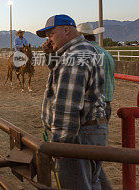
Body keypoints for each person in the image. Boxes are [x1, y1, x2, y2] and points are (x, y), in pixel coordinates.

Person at [36, 14, 108, 190]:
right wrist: (50, 53)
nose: (48, 39)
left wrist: (59, 145)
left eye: (51, 34)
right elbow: (57, 69)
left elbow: (67, 106)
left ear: (66, 30)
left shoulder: (74, 57)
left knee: (75, 184)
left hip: (79, 134)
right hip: (91, 129)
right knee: (91, 182)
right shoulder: (82, 50)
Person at [77, 22, 115, 190]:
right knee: (96, 157)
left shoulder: (85, 54)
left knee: (85, 158)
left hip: (91, 108)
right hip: (106, 105)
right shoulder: (106, 54)